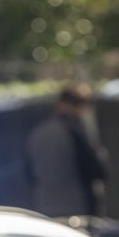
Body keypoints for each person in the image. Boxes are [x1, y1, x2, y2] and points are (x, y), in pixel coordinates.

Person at [24, 83, 106, 217]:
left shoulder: (37, 132)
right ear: (80, 106)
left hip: (45, 207)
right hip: (77, 210)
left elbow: (29, 174)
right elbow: (97, 169)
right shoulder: (75, 132)